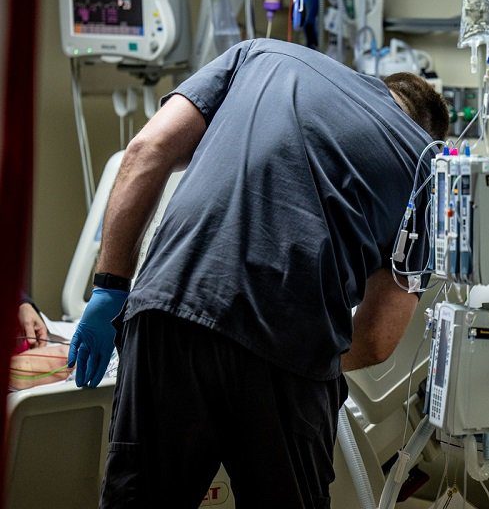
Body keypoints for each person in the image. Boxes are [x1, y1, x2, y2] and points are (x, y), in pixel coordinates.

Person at [68, 39, 449, 509]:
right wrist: (299, 357)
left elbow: (147, 150)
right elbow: (376, 337)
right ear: (426, 128)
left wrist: (109, 288)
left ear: (375, 86)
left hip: (169, 308)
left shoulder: (260, 54)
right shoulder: (432, 168)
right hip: (289, 346)